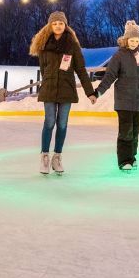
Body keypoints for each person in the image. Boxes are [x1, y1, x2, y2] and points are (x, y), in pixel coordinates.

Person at [94, 20, 139, 171]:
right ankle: (124, 161)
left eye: (136, 40)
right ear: (126, 40)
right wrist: (98, 91)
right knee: (125, 132)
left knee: (135, 131)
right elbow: (110, 76)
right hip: (124, 99)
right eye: (131, 40)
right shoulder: (118, 56)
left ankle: (132, 157)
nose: (134, 43)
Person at [29, 11, 96, 175]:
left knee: (62, 124)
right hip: (49, 89)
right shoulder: (44, 45)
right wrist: (49, 81)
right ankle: (45, 156)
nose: (58, 26)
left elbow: (81, 70)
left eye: (61, 23)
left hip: (66, 89)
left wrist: (90, 92)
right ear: (50, 26)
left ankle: (57, 157)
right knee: (49, 122)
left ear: (65, 25)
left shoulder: (72, 45)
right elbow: (43, 69)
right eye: (54, 23)